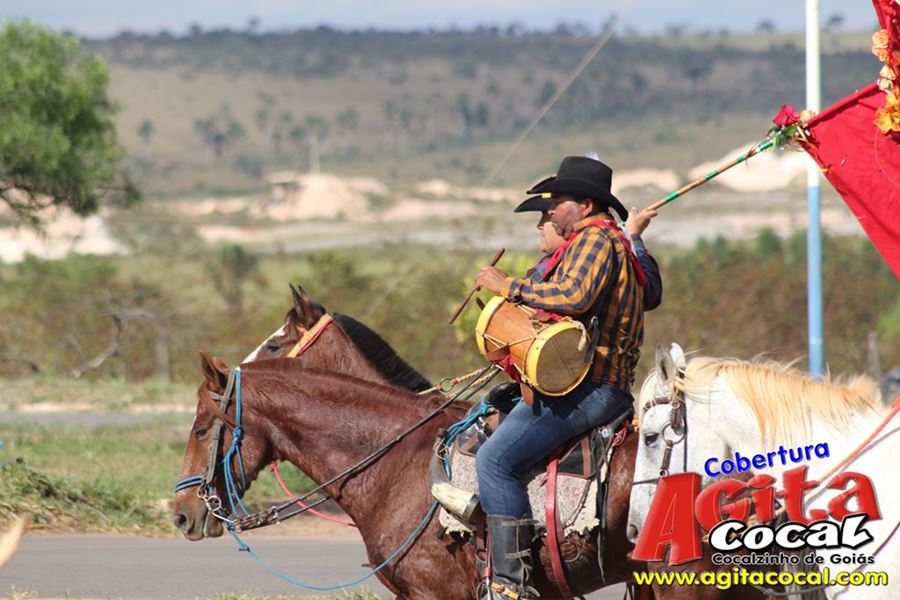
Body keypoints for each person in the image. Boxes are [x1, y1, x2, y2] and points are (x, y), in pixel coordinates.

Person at [473, 156, 648, 599]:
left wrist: (508, 285)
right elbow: (655, 294)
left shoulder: (594, 239)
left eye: (557, 203)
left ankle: (513, 585)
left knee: (493, 461)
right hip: (608, 386)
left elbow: (574, 295)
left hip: (591, 389)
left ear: (586, 205)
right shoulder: (618, 242)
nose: (549, 212)